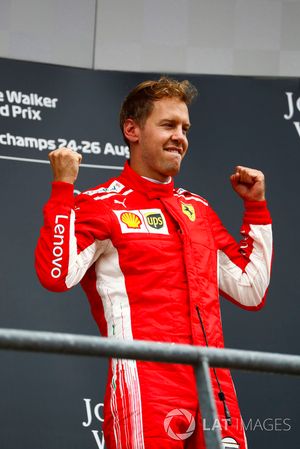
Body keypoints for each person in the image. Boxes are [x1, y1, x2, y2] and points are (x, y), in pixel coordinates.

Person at [35, 77, 273, 449]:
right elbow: (57, 275)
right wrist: (63, 190)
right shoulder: (101, 204)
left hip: (216, 389)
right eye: (168, 125)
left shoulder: (199, 210)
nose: (180, 136)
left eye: (185, 128)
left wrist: (255, 208)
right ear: (132, 130)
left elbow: (250, 287)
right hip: (145, 388)